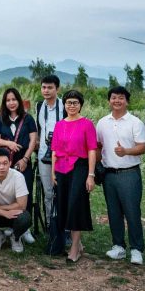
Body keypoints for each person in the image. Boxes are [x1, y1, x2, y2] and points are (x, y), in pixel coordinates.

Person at [96, 86, 145, 264]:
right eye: (113, 98)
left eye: (121, 98)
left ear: (127, 101)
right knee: (113, 211)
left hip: (129, 173)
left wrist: (126, 151)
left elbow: (142, 146)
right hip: (109, 173)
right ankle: (118, 246)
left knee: (132, 211)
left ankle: (136, 249)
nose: (117, 101)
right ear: (109, 100)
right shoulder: (102, 122)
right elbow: (98, 146)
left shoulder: (135, 122)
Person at [49, 89, 97, 262]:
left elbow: (92, 150)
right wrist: (53, 172)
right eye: (69, 102)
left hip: (80, 166)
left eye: (75, 103)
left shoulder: (87, 124)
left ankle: (74, 248)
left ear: (80, 105)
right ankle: (78, 243)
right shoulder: (59, 124)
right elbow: (54, 150)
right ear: (64, 105)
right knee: (63, 206)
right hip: (61, 167)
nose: (71, 106)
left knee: (76, 204)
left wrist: (91, 175)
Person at [0, 87, 39, 244]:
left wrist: (25, 159)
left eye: (14, 99)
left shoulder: (28, 119)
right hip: (5, 162)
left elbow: (33, 140)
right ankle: (7, 225)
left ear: (18, 101)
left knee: (25, 193)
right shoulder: (1, 118)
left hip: (22, 160)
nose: (11, 103)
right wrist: (9, 143)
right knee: (7, 193)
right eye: (8, 100)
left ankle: (24, 229)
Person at [35, 74, 65, 229]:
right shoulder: (39, 106)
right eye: (43, 87)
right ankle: (50, 225)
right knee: (48, 192)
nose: (46, 90)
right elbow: (38, 130)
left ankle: (64, 226)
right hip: (44, 155)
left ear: (57, 89)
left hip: (63, 156)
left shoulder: (65, 106)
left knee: (62, 192)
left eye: (50, 87)